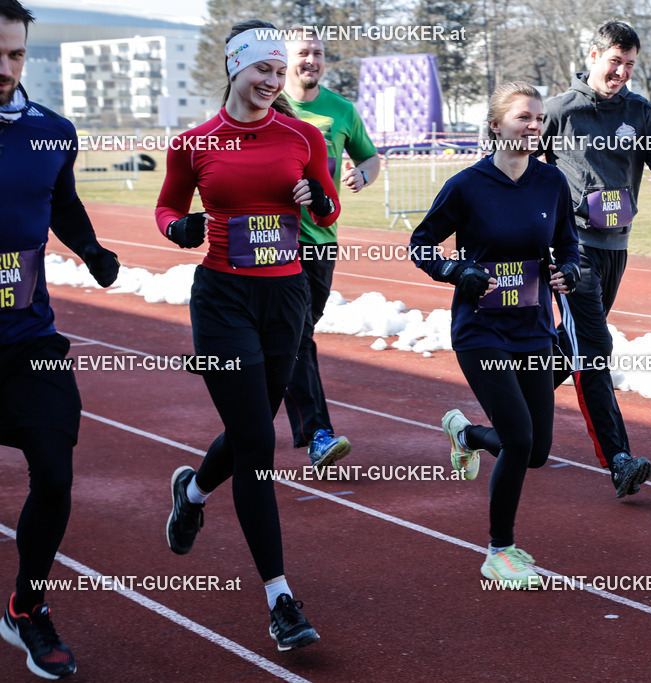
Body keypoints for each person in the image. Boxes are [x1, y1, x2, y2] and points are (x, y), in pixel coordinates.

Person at [155, 20, 339, 651]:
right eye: (262, 69)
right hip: (223, 300)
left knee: (248, 430)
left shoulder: (302, 135)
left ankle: (193, 490)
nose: (272, 81)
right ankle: (280, 599)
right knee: (259, 443)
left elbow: (329, 207)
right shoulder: (193, 143)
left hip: (286, 297)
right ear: (235, 66)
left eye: (279, 72)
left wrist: (318, 196)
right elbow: (168, 207)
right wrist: (178, 229)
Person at [411, 82, 580, 588]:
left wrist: (570, 271)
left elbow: (568, 244)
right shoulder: (468, 185)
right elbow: (422, 244)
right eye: (524, 117)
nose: (534, 126)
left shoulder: (551, 181)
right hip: (481, 330)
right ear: (495, 126)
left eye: (539, 118)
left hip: (533, 327)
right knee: (518, 438)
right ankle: (498, 551)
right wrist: (454, 270)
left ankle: (465, 434)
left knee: (536, 451)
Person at [0, 1, 120, 677]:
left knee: (54, 469)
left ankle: (26, 606)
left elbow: (63, 203)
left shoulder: (52, 131)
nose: (5, 68)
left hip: (28, 337)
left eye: (15, 54)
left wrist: (93, 250)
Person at [539, 20, 651, 498]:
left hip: (616, 248)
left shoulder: (639, 112)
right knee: (595, 348)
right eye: (615, 61)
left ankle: (508, 410)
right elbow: (515, 164)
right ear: (594, 56)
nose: (621, 72)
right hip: (571, 251)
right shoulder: (559, 111)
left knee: (573, 345)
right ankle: (618, 458)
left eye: (629, 65)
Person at [280, 31, 380, 468]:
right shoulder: (268, 105)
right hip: (276, 243)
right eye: (302, 52)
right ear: (284, 59)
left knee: (295, 337)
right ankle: (318, 433)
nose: (311, 60)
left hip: (322, 242)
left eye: (318, 53)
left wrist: (364, 175)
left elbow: (370, 157)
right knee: (297, 335)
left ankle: (255, 401)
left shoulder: (341, 110)